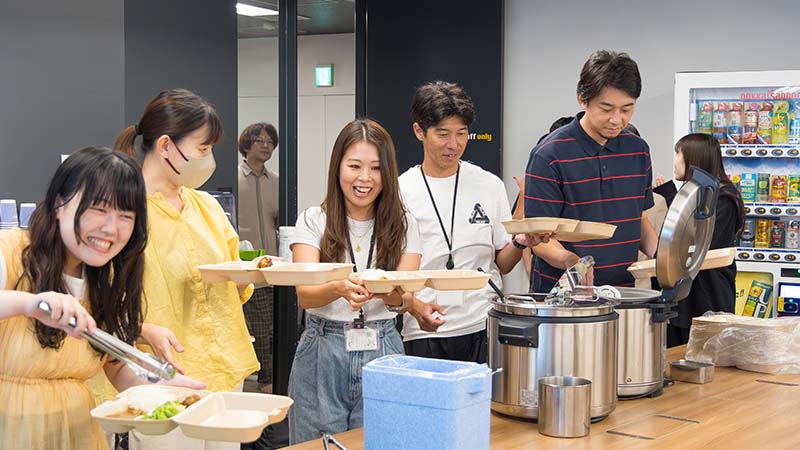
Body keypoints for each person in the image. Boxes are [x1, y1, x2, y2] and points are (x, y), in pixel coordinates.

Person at [0, 147, 203, 450]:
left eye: (126, 216)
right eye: (98, 209)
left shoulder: (105, 281)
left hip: (77, 433)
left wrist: (162, 389)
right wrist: (29, 303)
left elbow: (116, 367)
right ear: (59, 203)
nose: (111, 228)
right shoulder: (12, 250)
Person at [114, 89, 258, 450]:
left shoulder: (206, 206)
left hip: (223, 368)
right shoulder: (124, 212)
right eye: (203, 148)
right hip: (160, 377)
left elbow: (237, 283)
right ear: (165, 146)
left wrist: (246, 275)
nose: (208, 160)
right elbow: (102, 299)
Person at [288, 118, 424, 444]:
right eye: (355, 166)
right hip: (322, 348)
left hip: (384, 346)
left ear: (387, 174)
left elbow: (404, 296)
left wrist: (391, 295)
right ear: (338, 168)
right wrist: (338, 288)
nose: (365, 178)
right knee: (315, 444)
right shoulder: (313, 220)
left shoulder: (405, 225)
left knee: (382, 441)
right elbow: (305, 295)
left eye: (376, 168)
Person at [399, 81, 537, 363]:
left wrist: (520, 242)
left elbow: (503, 263)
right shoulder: (400, 191)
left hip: (483, 324)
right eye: (443, 134)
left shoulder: (489, 185)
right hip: (426, 329)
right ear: (419, 132)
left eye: (462, 133)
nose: (454, 144)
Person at [525, 50, 658, 293]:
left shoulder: (637, 150)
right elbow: (539, 241)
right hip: (562, 298)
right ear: (582, 99)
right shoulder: (548, 155)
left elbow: (640, 219)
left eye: (627, 109)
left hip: (623, 294)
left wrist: (664, 257)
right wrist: (572, 263)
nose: (616, 120)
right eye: (606, 109)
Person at [666, 133, 744, 347]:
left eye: (678, 154)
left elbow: (701, 246)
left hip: (707, 293)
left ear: (694, 158)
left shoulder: (722, 199)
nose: (674, 161)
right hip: (687, 294)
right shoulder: (696, 194)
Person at [237, 122, 280, 393]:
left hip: (272, 265)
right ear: (246, 144)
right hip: (241, 265)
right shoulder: (234, 177)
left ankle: (269, 377)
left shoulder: (276, 181)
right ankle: (264, 379)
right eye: (259, 140)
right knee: (256, 327)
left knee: (269, 326)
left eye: (269, 142)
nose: (265, 146)